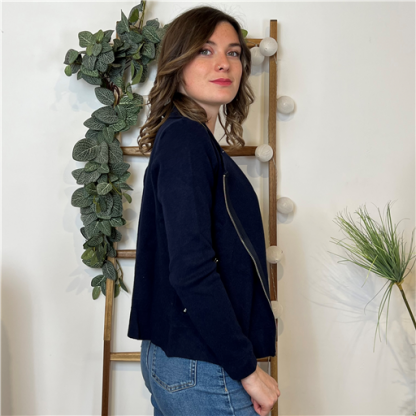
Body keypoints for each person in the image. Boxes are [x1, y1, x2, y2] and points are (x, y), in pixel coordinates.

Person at [127, 5, 281, 416]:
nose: (224, 63)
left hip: (183, 358)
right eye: (205, 50)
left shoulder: (187, 139)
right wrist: (247, 369)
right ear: (178, 63)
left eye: (233, 53)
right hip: (205, 366)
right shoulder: (187, 141)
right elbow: (191, 268)